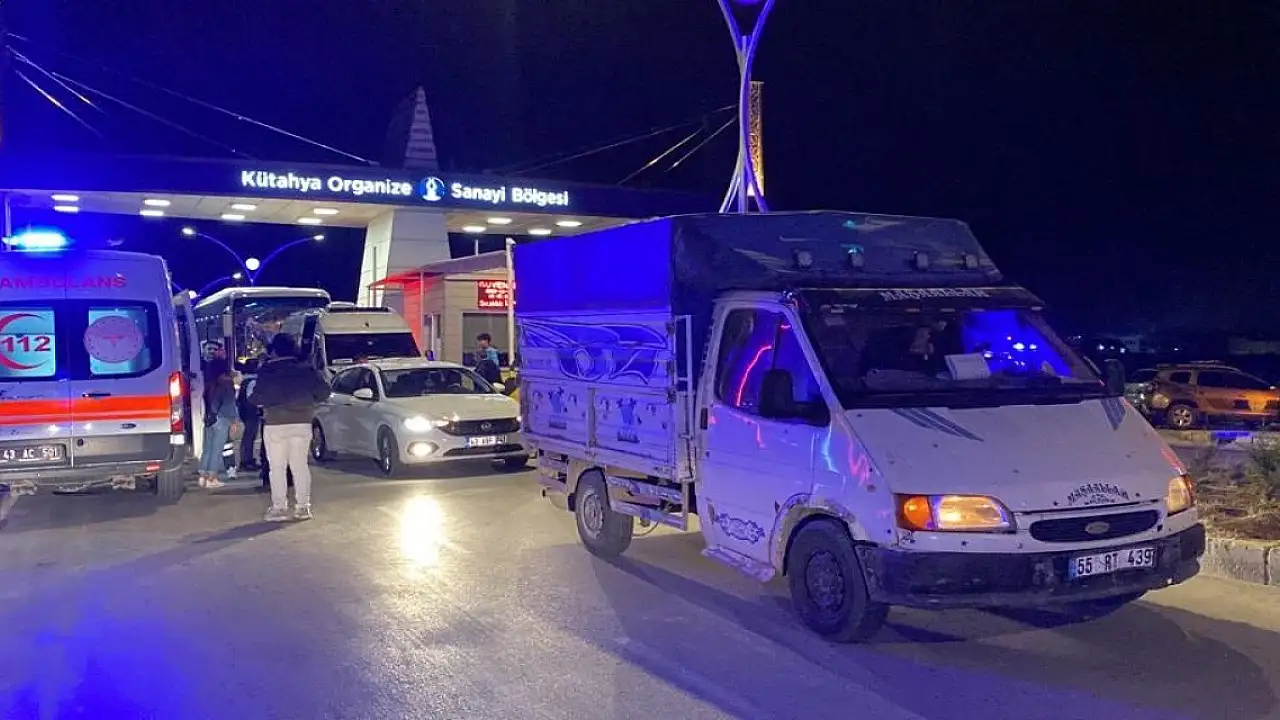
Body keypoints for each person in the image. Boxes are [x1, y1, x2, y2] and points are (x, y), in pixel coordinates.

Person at [248, 334, 330, 522]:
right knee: (300, 466)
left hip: (275, 423)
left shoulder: (267, 370)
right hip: (302, 421)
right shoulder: (306, 368)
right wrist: (309, 401)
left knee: (277, 468)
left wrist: (260, 402)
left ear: (275, 350)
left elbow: (256, 397)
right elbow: (324, 391)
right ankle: (303, 507)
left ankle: (279, 508)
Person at [199, 357, 239, 488]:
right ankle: (211, 479)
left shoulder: (209, 383)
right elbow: (229, 404)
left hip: (209, 419)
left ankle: (202, 477)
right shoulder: (227, 383)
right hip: (222, 419)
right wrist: (234, 421)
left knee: (207, 449)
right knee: (217, 450)